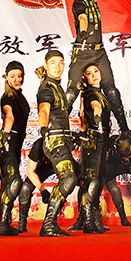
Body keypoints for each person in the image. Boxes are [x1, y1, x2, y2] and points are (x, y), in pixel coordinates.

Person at [65, 0, 129, 132]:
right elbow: (83, 18)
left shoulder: (93, 1)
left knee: (111, 90)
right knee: (71, 92)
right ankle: (56, 129)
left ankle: (125, 130)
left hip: (99, 52)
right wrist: (83, 31)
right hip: (83, 52)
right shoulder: (78, 3)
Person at [36, 50, 78, 237]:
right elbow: (43, 110)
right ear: (46, 66)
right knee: (68, 178)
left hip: (63, 140)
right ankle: (49, 224)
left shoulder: (57, 87)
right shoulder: (46, 87)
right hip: (54, 140)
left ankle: (86, 220)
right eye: (53, 62)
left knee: (83, 178)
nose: (58, 66)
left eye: (61, 62)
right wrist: (43, 128)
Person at [0, 60, 29, 236]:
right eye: (12, 76)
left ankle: (5, 223)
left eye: (19, 76)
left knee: (7, 182)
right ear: (6, 77)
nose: (17, 79)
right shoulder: (7, 97)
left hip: (15, 141)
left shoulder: (19, 95)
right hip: (8, 139)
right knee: (14, 181)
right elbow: (9, 116)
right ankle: (3, 224)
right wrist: (6, 135)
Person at [17, 135, 82, 233]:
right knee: (26, 188)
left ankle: (82, 220)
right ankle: (22, 222)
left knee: (84, 182)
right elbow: (30, 171)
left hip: (62, 164)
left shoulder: (64, 139)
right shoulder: (39, 145)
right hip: (44, 167)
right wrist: (43, 190)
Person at [76, 63, 110, 233]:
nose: (94, 75)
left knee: (98, 179)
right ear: (85, 78)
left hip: (100, 139)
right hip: (94, 139)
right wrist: (97, 117)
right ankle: (88, 220)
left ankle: (94, 220)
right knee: (92, 179)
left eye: (96, 71)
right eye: (89, 73)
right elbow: (96, 106)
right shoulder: (91, 94)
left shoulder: (97, 92)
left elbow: (82, 117)